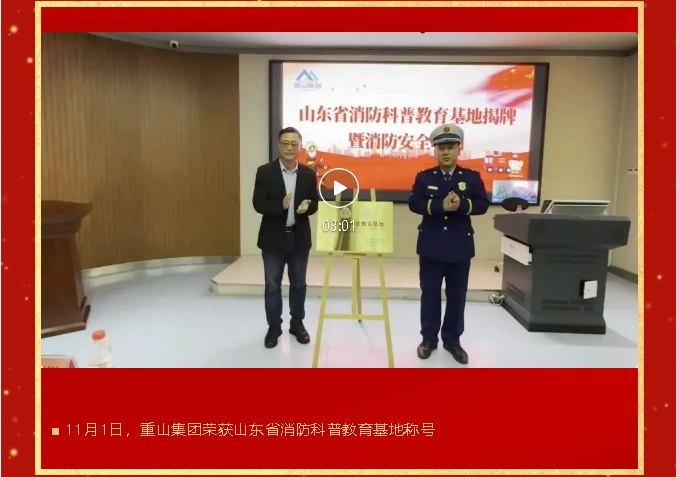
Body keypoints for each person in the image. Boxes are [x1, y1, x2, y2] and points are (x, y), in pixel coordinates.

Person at [408, 124, 490, 364]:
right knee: (430, 294)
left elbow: (482, 205)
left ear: (459, 149)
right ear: (435, 150)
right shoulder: (425, 177)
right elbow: (414, 203)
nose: (446, 152)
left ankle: (453, 341)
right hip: (431, 246)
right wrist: (439, 206)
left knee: (457, 296)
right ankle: (428, 339)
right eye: (441, 148)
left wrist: (462, 205)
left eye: (450, 147)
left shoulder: (470, 177)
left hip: (459, 246)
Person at [253, 127, 319, 349]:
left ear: (300, 147)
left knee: (299, 284)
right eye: (285, 143)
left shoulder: (308, 174)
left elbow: (315, 202)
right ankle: (274, 326)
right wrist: (279, 205)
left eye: (294, 144)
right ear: (278, 145)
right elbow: (258, 203)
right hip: (273, 240)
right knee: (272, 285)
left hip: (299, 239)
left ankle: (297, 323)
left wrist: (307, 206)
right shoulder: (265, 172)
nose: (289, 148)